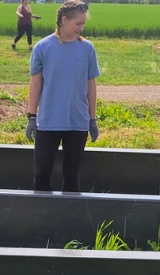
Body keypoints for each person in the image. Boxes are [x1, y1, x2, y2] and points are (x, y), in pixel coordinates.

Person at [25, 0, 99, 193]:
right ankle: (42, 216)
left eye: (83, 24)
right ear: (64, 20)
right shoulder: (43, 47)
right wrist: (32, 117)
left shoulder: (87, 49)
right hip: (48, 121)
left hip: (77, 121)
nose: (81, 28)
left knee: (71, 175)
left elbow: (91, 85)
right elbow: (35, 84)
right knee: (41, 174)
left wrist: (92, 119)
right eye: (78, 24)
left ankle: (69, 218)